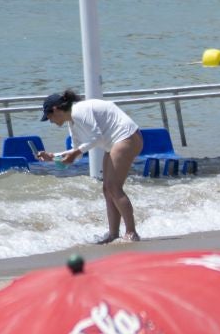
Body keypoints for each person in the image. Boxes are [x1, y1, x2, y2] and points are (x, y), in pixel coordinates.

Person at [36, 91, 143, 244]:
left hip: (127, 137)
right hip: (114, 142)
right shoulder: (72, 122)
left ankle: (132, 233)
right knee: (107, 189)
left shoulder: (79, 110)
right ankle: (113, 234)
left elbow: (96, 138)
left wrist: (74, 154)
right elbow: (77, 151)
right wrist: (52, 156)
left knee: (114, 187)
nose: (50, 122)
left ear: (56, 109)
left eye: (49, 117)